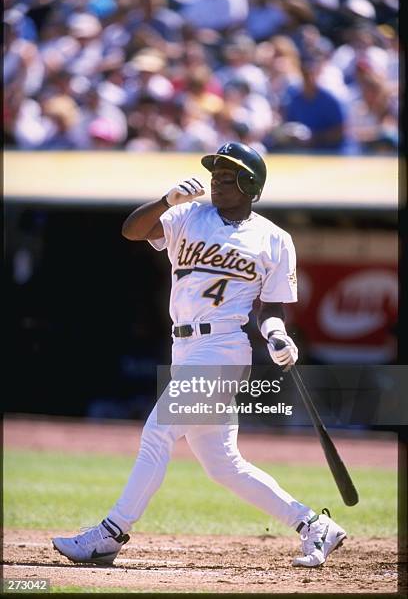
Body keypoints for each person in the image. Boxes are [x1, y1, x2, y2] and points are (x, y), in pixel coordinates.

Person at [52, 142, 346, 568]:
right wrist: (166, 199)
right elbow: (132, 230)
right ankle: (314, 526)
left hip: (224, 347)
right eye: (215, 174)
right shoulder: (188, 214)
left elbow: (271, 306)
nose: (216, 181)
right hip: (185, 346)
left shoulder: (274, 239)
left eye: (228, 177)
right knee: (224, 465)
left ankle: (109, 534)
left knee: (158, 432)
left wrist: (278, 334)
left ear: (250, 185)